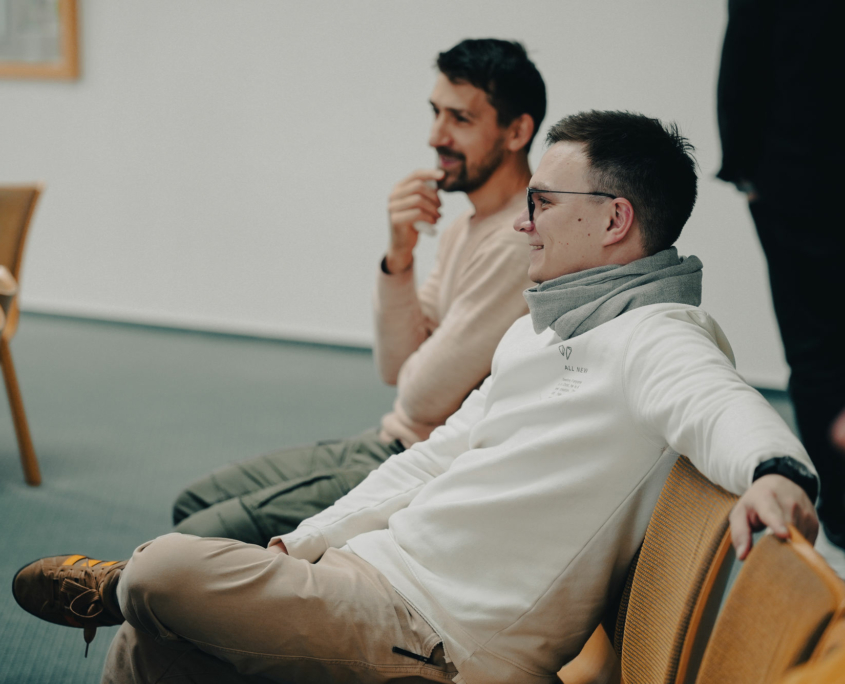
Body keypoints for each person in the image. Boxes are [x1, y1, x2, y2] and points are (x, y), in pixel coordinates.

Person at [14, 111, 820, 684]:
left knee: (162, 573)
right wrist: (307, 542)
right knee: (156, 647)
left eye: (541, 202)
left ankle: (114, 587)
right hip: (370, 584)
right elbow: (431, 457)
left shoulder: (657, 333)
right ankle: (129, 596)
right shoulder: (544, 333)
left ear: (613, 220)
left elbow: (718, 401)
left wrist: (776, 471)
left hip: (440, 643)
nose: (520, 223)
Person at [170, 38, 545, 545]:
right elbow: (396, 367)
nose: (436, 135)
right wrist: (399, 257)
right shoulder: (465, 227)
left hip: (415, 463)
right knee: (192, 502)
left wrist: (425, 353)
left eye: (460, 119)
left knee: (199, 534)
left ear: (517, 130)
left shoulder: (517, 241)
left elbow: (420, 391)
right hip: (388, 438)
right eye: (435, 113)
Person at [716, 0, 845, 552]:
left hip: (798, 175)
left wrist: (745, 167)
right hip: (796, 175)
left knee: (814, 349)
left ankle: (837, 509)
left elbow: (743, 61)